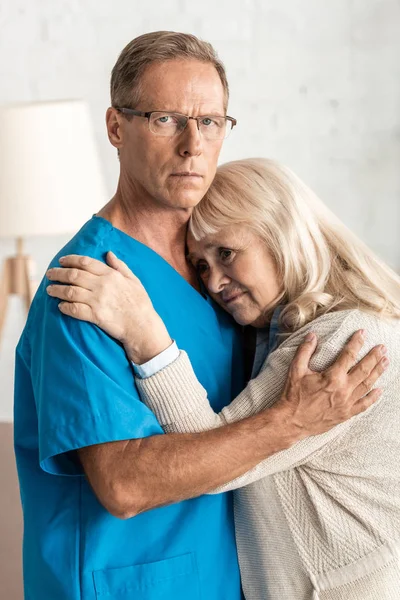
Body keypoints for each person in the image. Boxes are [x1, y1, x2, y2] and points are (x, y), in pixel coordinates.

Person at [15, 31, 384, 600]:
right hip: (129, 584)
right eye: (166, 119)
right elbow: (125, 483)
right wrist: (291, 421)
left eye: (210, 122)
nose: (193, 144)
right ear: (117, 128)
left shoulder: (223, 277)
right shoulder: (89, 287)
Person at [46, 158, 399, 600]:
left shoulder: (343, 342)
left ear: (281, 233)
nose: (213, 282)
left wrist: (144, 331)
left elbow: (210, 450)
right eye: (201, 266)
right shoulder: (286, 335)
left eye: (226, 253)